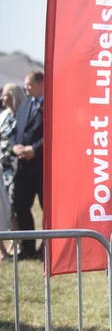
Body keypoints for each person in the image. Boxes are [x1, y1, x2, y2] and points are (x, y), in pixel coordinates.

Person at [11, 71, 45, 259]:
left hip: (42, 169)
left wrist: (34, 149)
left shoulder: (51, 105)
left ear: (40, 84)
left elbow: (53, 134)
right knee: (21, 206)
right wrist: (15, 146)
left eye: (29, 84)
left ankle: (46, 248)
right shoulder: (25, 105)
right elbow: (18, 131)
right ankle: (28, 247)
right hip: (23, 169)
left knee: (46, 209)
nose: (25, 88)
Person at [0, 83, 25, 260]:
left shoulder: (22, 115)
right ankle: (4, 248)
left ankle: (19, 243)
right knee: (4, 207)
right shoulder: (3, 116)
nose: (2, 98)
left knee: (13, 207)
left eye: (5, 95)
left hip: (16, 167)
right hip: (2, 168)